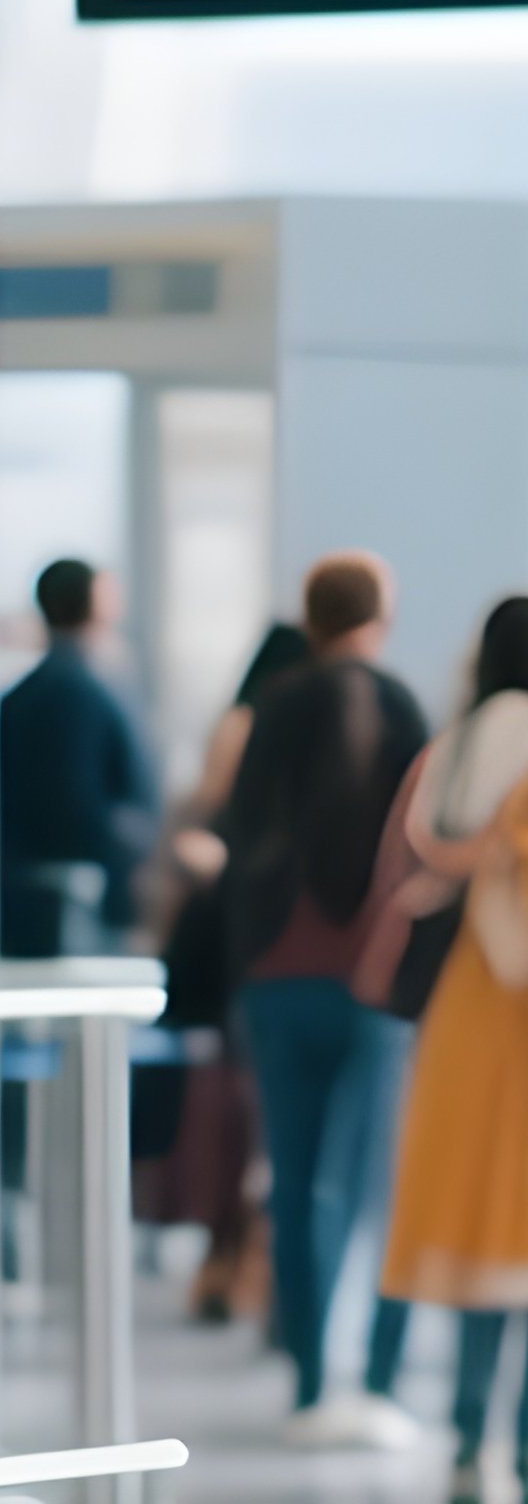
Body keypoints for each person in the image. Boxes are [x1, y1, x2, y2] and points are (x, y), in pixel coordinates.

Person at [219, 552, 427, 1449]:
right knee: (369, 1184)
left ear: (308, 617)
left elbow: (236, 836)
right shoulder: (400, 707)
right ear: (381, 615)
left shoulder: (277, 708)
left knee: (297, 1181)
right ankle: (371, 1381)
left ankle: (308, 1379)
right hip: (370, 982)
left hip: (275, 974)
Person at [381, 597, 528, 1504]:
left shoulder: (464, 734)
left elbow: (428, 846)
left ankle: (472, 1436)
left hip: (475, 989)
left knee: (484, 1225)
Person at [142, 623, 309, 1326]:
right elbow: (215, 812)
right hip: (244, 940)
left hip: (227, 940)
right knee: (242, 1111)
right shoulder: (256, 728)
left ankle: (233, 1262)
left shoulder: (244, 723)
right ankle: (239, 1265)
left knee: (232, 1107)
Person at [0, 558, 157, 958]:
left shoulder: (28, 693)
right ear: (94, 604)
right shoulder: (79, 690)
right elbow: (77, 803)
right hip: (76, 899)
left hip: (34, 891)